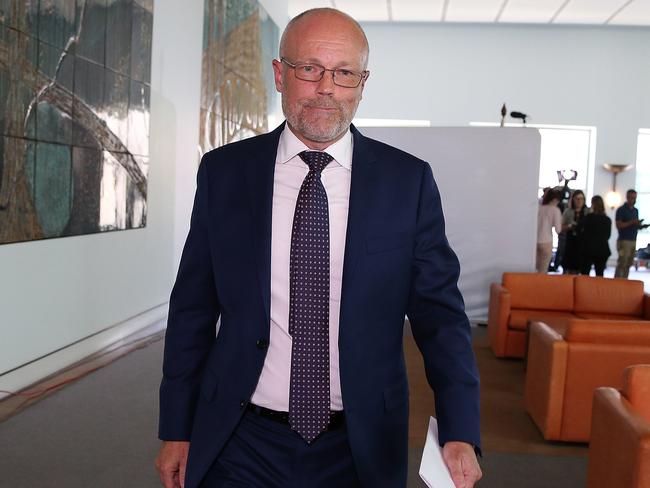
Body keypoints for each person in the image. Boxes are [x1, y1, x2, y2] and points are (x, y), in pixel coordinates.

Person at [155, 8, 481, 488]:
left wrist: (460, 428)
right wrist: (177, 427)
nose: (326, 87)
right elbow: (192, 308)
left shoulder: (406, 182)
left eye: (344, 73)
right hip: (239, 436)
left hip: (359, 443)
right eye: (309, 68)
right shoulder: (225, 172)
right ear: (280, 74)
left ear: (362, 83)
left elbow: (440, 317)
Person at [615, 189, 644, 278]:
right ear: (627, 198)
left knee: (629, 263)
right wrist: (632, 222)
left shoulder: (635, 210)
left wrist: (640, 225)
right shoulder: (621, 210)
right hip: (624, 240)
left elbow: (634, 224)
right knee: (622, 263)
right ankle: (617, 282)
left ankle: (625, 281)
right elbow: (619, 225)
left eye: (634, 198)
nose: (632, 200)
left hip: (633, 240)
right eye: (631, 198)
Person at [580, 195, 611, 276]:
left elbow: (582, 232)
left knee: (585, 273)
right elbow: (608, 236)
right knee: (600, 273)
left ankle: (583, 288)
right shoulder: (607, 220)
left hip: (588, 249)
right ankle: (598, 288)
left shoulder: (588, 218)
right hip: (602, 249)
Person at [561, 190, 589, 274]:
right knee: (569, 266)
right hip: (570, 241)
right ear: (573, 199)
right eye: (577, 199)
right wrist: (569, 226)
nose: (579, 201)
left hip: (583, 243)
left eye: (581, 199)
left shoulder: (587, 212)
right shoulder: (568, 211)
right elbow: (561, 227)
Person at [536, 189, 562, 273]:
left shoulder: (538, 208)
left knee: (535, 268)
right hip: (547, 241)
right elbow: (558, 229)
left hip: (535, 240)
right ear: (555, 199)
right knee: (543, 270)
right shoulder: (555, 210)